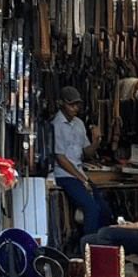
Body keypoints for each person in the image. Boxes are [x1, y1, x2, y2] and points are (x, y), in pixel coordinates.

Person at [52, 86, 112, 235]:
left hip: (79, 174)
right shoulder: (55, 125)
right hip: (64, 175)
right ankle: (87, 249)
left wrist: (96, 140)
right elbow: (60, 158)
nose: (75, 108)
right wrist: (82, 180)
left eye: (77, 104)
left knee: (105, 210)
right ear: (61, 104)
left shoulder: (79, 123)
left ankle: (99, 244)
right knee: (91, 209)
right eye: (71, 104)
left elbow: (87, 151)